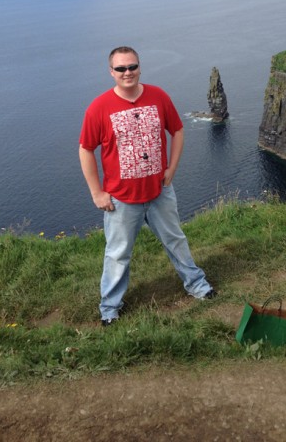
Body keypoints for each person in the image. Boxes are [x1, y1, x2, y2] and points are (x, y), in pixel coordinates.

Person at [79, 46, 217, 326]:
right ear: (111, 72)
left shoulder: (158, 96)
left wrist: (172, 169)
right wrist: (96, 192)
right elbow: (85, 149)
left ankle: (197, 285)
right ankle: (110, 309)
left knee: (176, 240)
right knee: (118, 254)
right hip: (121, 199)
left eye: (132, 66)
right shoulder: (99, 107)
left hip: (159, 193)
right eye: (121, 68)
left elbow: (177, 130)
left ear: (140, 67)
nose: (127, 72)